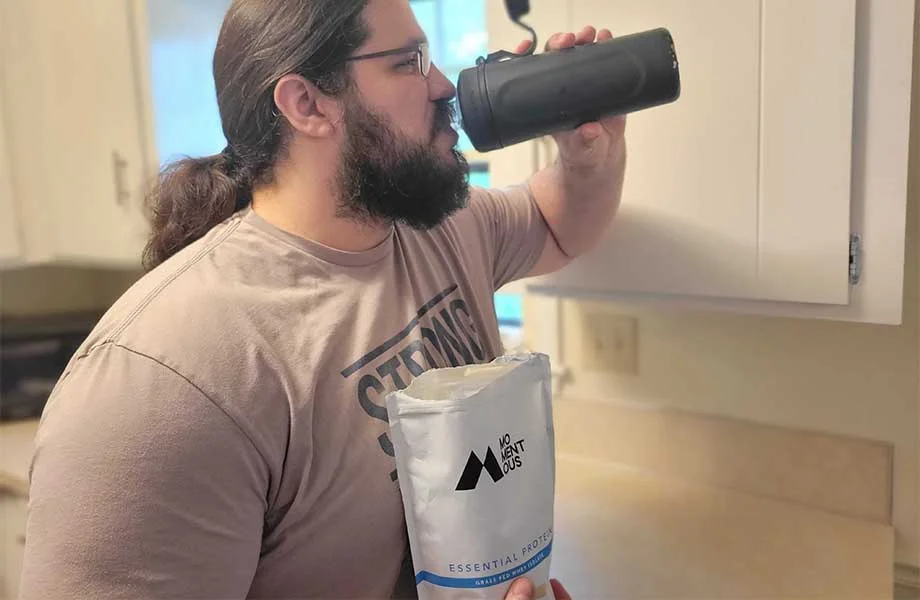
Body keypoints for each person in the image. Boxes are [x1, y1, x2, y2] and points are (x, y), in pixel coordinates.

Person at [18, 0, 626, 598]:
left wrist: (587, 153)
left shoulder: (437, 229)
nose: (443, 85)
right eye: (410, 62)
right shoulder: (165, 382)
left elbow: (556, 224)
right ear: (307, 104)